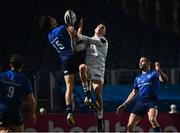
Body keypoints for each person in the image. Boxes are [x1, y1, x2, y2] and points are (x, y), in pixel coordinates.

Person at [39, 11, 103, 126]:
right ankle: (87, 95)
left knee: (69, 87)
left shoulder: (49, 36)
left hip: (64, 60)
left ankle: (69, 112)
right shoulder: (62, 28)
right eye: (52, 19)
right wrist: (79, 28)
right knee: (85, 69)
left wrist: (74, 28)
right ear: (50, 22)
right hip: (74, 55)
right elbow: (77, 39)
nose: (54, 19)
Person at [116, 57, 168, 132]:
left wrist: (159, 70)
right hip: (140, 103)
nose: (140, 63)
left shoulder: (154, 73)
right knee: (130, 125)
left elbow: (165, 80)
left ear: (149, 63)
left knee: (152, 119)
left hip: (151, 101)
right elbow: (134, 93)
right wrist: (124, 104)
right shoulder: (138, 78)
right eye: (139, 61)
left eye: (143, 61)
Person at [78, 21, 108, 131]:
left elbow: (85, 39)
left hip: (99, 71)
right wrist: (78, 31)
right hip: (89, 68)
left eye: (103, 28)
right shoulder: (88, 41)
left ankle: (100, 119)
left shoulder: (103, 41)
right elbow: (77, 47)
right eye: (99, 26)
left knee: (99, 96)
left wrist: (77, 34)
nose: (101, 27)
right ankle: (87, 94)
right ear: (95, 29)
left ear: (104, 32)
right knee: (82, 67)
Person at [0, 54, 36, 132]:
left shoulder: (2, 76)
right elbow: (31, 99)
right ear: (22, 66)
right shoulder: (25, 79)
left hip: (2, 109)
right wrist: (33, 113)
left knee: (1, 130)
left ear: (10, 65)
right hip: (15, 110)